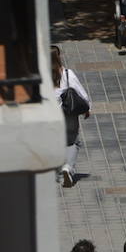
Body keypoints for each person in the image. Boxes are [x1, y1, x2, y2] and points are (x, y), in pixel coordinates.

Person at [53, 45, 90, 188]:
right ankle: (68, 168)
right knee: (73, 141)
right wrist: (87, 107)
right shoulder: (67, 74)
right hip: (67, 113)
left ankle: (59, 172)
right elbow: (80, 91)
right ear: (59, 56)